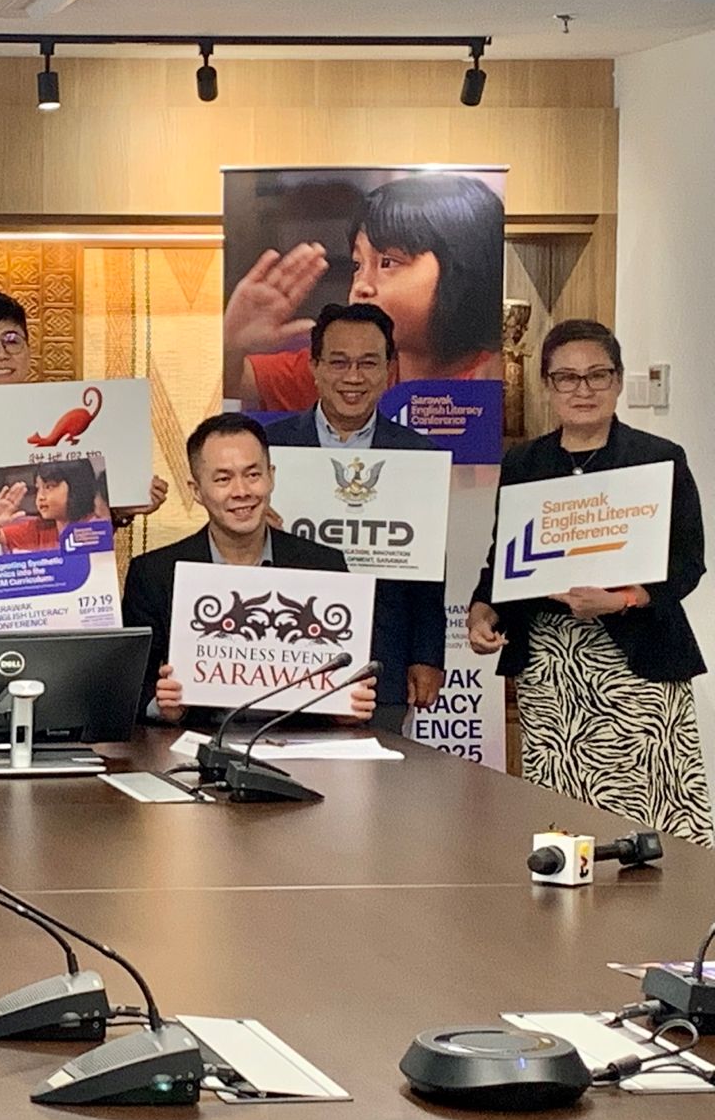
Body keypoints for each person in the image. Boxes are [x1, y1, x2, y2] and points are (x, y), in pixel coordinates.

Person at [468, 319, 710, 845]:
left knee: (649, 811)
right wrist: (481, 611)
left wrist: (621, 599)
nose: (583, 390)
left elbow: (687, 564)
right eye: (567, 378)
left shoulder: (659, 457)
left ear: (618, 380)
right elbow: (502, 559)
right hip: (551, 666)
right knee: (561, 809)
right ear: (547, 385)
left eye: (597, 375)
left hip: (638, 662)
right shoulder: (525, 462)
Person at [122, 413, 377, 726]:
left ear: (271, 477)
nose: (241, 491)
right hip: (192, 743)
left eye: (253, 474)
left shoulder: (325, 567)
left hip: (301, 746)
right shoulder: (154, 574)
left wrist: (346, 709)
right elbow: (130, 688)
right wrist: (163, 706)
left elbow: (349, 677)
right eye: (223, 479)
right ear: (196, 490)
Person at [264, 303, 447, 731]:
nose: (353, 377)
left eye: (368, 363)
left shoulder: (418, 456)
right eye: (338, 362)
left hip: (381, 660)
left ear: (389, 370)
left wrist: (427, 655)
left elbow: (429, 574)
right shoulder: (268, 449)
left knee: (375, 772)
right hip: (279, 653)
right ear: (314, 367)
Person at [224, 174, 503, 410]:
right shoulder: (340, 370)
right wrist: (233, 346)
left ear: (463, 266)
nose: (361, 286)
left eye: (388, 263)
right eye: (357, 265)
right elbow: (235, 385)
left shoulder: (497, 378)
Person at [0, 291, 168, 516]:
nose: (1, 354)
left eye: (12, 340)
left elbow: (87, 513)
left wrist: (123, 507)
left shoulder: (77, 424)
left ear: (28, 351)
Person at [0, 460, 106, 554]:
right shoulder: (37, 529)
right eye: (38, 488)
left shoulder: (99, 525)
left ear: (77, 486)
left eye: (49, 487)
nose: (41, 496)